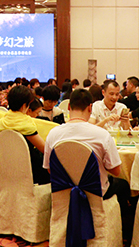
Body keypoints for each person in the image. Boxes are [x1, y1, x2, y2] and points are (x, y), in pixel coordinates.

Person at [43, 89, 132, 238]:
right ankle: (123, 235)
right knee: (123, 185)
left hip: (64, 189)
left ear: (69, 107)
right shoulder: (101, 135)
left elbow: (50, 169)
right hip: (95, 190)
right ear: (90, 108)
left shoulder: (53, 133)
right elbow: (116, 171)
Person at [0, 85, 49, 185]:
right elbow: (45, 149)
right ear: (24, 106)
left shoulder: (0, 124)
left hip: (5, 168)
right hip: (28, 169)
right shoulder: (26, 125)